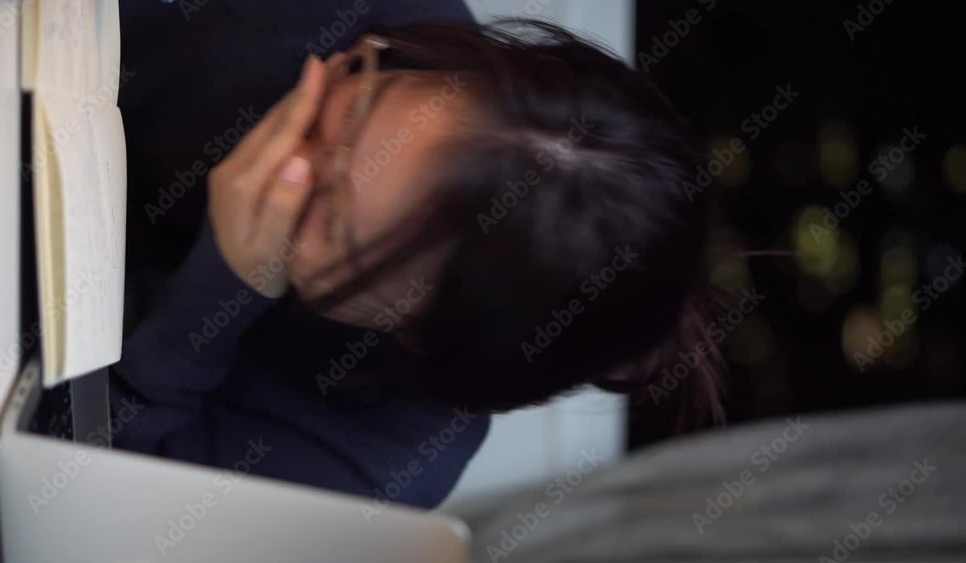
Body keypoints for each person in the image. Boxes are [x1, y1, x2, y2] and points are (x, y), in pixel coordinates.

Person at [111, 14, 727, 509]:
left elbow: (87, 502)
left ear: (419, 331)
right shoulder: (378, 29)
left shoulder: (373, 465)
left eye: (327, 216)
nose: (281, 172)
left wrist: (215, 295)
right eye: (352, 110)